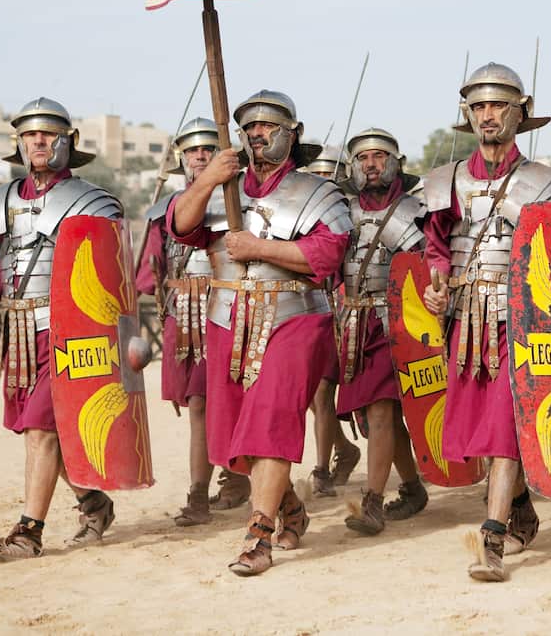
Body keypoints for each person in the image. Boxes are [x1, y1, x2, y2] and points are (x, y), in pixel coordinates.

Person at [168, 90, 351, 576]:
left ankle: (259, 532)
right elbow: (181, 226)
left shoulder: (318, 192)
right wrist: (209, 177)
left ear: (293, 133)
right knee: (231, 436)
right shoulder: (223, 187)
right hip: (228, 315)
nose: (257, 134)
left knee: (270, 423)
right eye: (249, 127)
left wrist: (259, 247)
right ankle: (291, 507)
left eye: (268, 125)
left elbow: (326, 258)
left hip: (295, 315)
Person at [420, 63, 551, 581]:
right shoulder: (445, 182)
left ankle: (492, 536)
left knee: (507, 421)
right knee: (484, 429)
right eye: (480, 106)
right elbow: (436, 247)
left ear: (519, 113)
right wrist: (437, 281)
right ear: (468, 114)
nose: (488, 115)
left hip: (522, 322)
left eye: (498, 105)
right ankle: (521, 507)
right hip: (466, 321)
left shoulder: (545, 184)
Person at [0, 98, 122, 560]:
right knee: (33, 429)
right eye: (31, 134)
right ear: (19, 143)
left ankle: (28, 533)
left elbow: (111, 275)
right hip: (18, 332)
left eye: (48, 133)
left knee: (42, 430)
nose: (38, 140)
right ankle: (94, 503)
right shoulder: (1, 204)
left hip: (70, 333)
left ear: (67, 143)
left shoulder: (93, 202)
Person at [137, 118, 235, 526]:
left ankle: (219, 484)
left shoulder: (236, 205)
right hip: (183, 317)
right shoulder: (163, 213)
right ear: (182, 158)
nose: (200, 155)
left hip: (227, 311)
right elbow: (145, 277)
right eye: (192, 149)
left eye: (208, 148)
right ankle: (211, 488)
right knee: (199, 404)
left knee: (219, 402)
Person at [335, 127, 429, 534]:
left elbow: (425, 269)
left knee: (381, 410)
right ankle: (411, 488)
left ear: (396, 163)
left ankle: (372, 502)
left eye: (378, 156)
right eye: (362, 158)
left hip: (396, 322)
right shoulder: (339, 210)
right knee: (378, 419)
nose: (370, 164)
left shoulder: (414, 211)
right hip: (354, 322)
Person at [303, 144, 363, 496]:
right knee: (314, 395)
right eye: (318, 176)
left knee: (324, 392)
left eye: (331, 175)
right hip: (309, 312)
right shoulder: (302, 216)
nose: (324, 181)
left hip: (346, 313)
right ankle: (344, 448)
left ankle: (322, 469)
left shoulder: (352, 217)